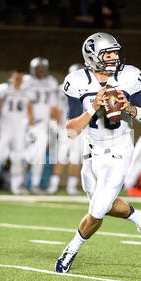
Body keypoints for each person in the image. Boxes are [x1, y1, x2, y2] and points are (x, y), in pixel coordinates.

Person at [56, 32, 141, 273]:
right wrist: (93, 107)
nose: (114, 59)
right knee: (104, 204)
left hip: (120, 149)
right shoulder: (77, 81)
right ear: (91, 57)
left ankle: (70, 250)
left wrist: (129, 108)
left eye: (115, 53)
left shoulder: (129, 77)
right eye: (107, 54)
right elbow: (71, 131)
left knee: (98, 209)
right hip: (91, 150)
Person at [0, 70, 34, 195]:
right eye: (16, 76)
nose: (18, 79)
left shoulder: (27, 92)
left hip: (20, 130)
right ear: (12, 77)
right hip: (5, 128)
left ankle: (15, 186)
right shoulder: (3, 90)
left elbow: (30, 113)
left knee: (18, 157)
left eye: (20, 77)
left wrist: (31, 129)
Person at [47, 63, 84, 195]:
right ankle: (53, 185)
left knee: (76, 158)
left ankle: (71, 187)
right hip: (65, 127)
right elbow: (54, 109)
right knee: (61, 157)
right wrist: (57, 127)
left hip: (80, 129)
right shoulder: (60, 89)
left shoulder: (87, 89)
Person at [24, 57, 59, 194]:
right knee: (21, 154)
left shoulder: (51, 82)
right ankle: (16, 182)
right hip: (25, 122)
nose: (40, 70)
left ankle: (34, 184)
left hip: (43, 123)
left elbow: (53, 106)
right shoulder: (27, 81)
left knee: (39, 156)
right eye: (38, 67)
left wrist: (53, 124)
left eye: (42, 68)